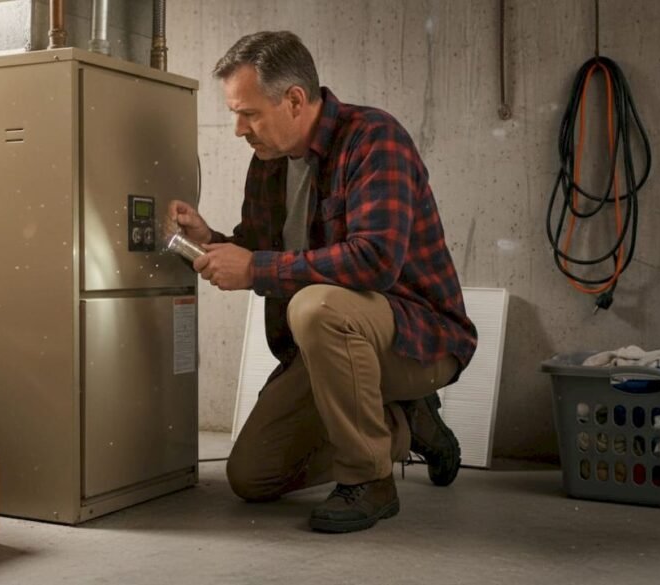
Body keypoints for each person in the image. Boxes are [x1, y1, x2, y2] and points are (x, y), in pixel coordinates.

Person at [166, 31, 477, 533]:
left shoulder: (375, 138)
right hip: (332, 348)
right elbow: (259, 248)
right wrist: (211, 239)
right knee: (252, 476)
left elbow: (375, 260)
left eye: (248, 113)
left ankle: (370, 479)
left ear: (293, 100)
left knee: (316, 306)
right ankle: (406, 422)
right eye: (235, 114)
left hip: (418, 338)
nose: (239, 129)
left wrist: (255, 269)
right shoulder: (267, 163)